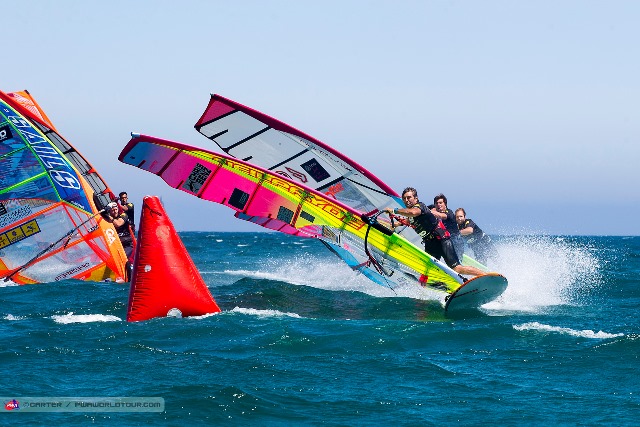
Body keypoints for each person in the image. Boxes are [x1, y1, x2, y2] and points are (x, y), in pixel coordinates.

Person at [384, 187, 485, 277]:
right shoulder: (411, 215)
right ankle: (428, 290)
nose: (406, 200)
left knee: (456, 268)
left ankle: (485, 275)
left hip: (442, 240)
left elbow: (413, 213)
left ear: (416, 198)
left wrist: (394, 210)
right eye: (404, 198)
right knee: (426, 271)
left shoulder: (420, 206)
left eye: (409, 197)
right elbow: (408, 220)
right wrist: (394, 224)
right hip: (430, 243)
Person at [104, 202, 134, 279]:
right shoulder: (107, 219)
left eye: (116, 209)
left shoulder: (123, 215)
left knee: (123, 259)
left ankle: (129, 278)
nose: (115, 211)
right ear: (110, 211)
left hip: (128, 245)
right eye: (113, 210)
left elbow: (118, 224)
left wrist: (110, 217)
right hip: (116, 245)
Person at [431, 193, 464, 260]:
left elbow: (441, 216)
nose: (438, 205)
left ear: (445, 204)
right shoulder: (433, 209)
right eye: (436, 203)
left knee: (456, 262)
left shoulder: (449, 212)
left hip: (456, 241)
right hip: (444, 240)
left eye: (440, 203)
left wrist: (427, 212)